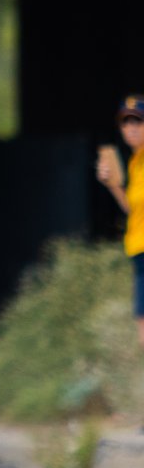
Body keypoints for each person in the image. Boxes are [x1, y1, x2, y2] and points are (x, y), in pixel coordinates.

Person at [96, 94, 144, 347]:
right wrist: (112, 184)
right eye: (126, 123)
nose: (131, 128)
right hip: (138, 251)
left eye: (138, 122)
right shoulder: (136, 163)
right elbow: (133, 209)